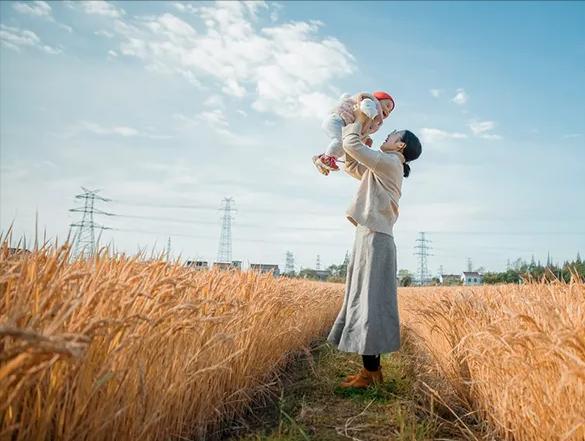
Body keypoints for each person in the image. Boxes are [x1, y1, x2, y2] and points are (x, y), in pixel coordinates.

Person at [326, 108, 422, 389]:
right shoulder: (384, 164)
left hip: (376, 238)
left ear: (400, 145)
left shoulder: (391, 162)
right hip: (369, 235)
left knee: (370, 304)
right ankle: (370, 372)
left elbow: (352, 146)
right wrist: (351, 145)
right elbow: (354, 164)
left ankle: (371, 375)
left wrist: (360, 120)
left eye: (392, 134)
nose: (387, 134)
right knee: (364, 302)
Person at [312, 91, 395, 175]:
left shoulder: (370, 120)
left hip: (342, 126)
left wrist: (366, 139)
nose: (388, 111)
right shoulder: (370, 102)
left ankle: (321, 159)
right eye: (387, 105)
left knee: (343, 147)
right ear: (378, 100)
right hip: (337, 120)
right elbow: (366, 108)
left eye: (390, 111)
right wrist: (371, 112)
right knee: (340, 142)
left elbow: (361, 129)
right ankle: (326, 159)